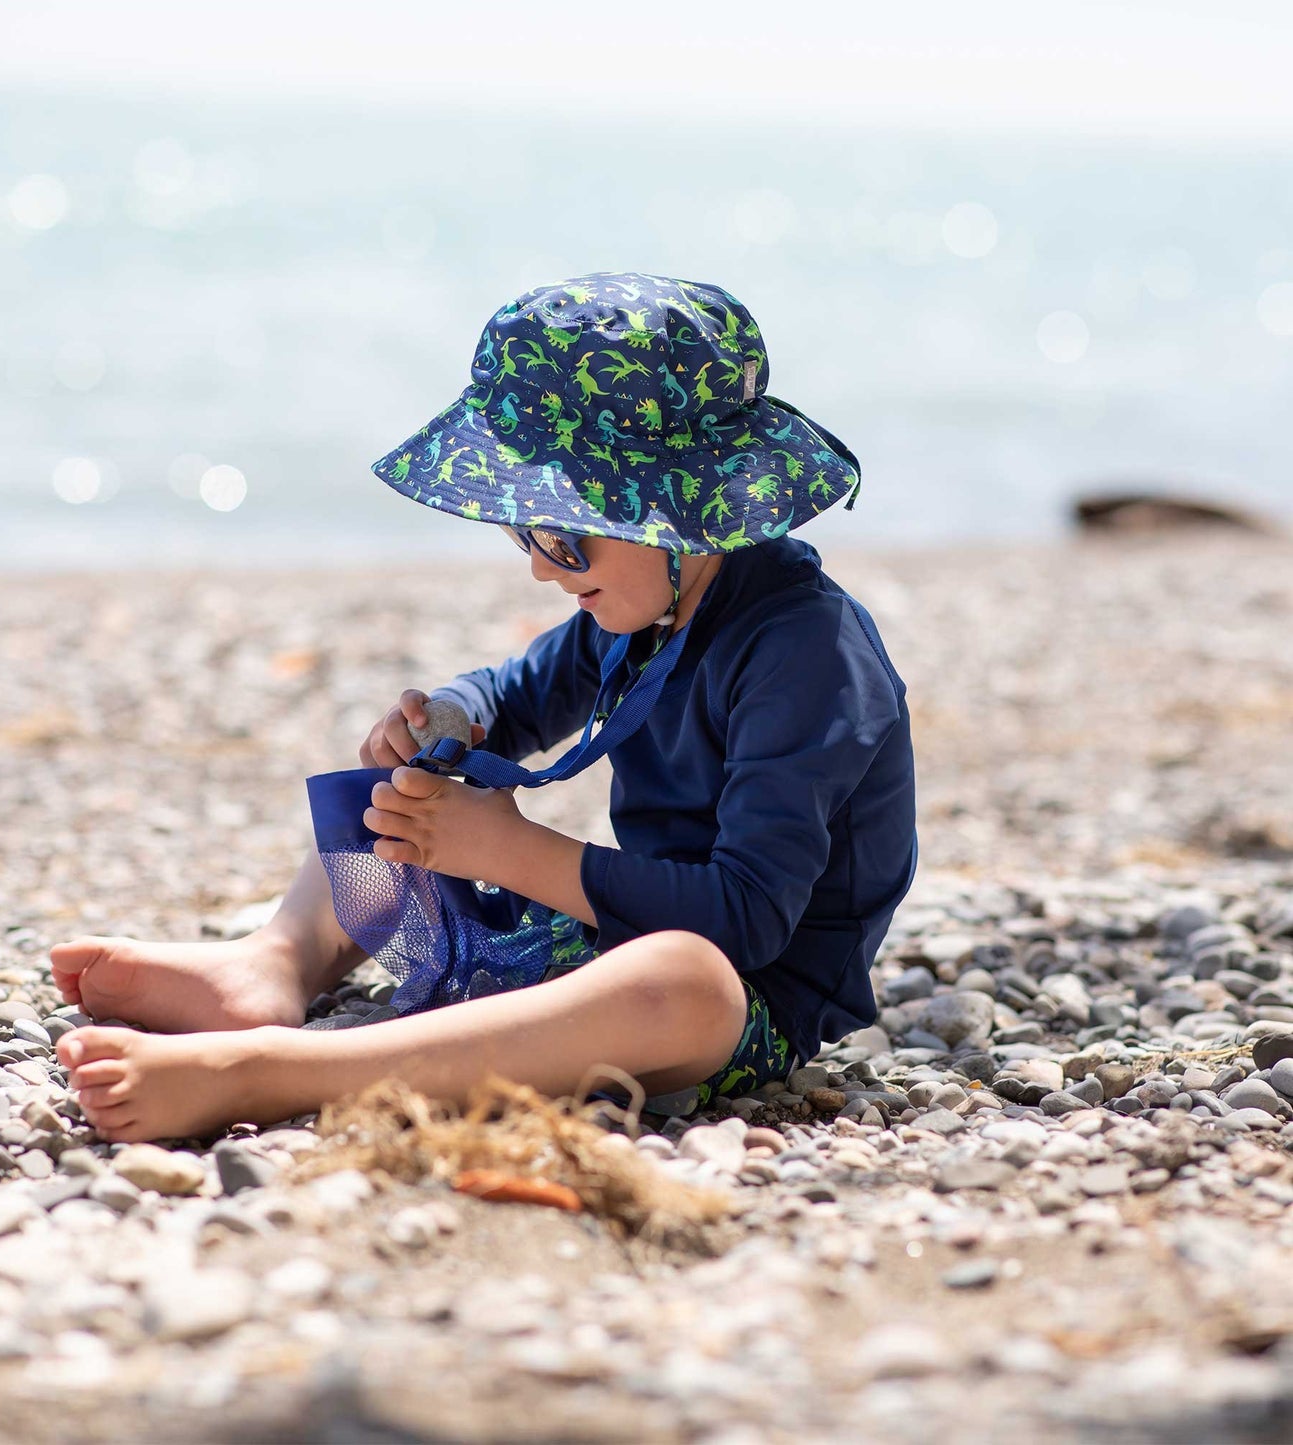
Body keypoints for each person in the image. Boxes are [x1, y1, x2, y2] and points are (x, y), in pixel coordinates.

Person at [51, 272, 917, 1143]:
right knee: (389, 787)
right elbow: (513, 693)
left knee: (685, 980)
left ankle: (279, 1071)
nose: (542, 566)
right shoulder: (645, 602)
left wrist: (506, 850)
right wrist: (452, 722)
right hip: (610, 937)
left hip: (735, 1000)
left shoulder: (806, 655)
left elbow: (747, 919)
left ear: (676, 509)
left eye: (565, 534)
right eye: (525, 532)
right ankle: (274, 962)